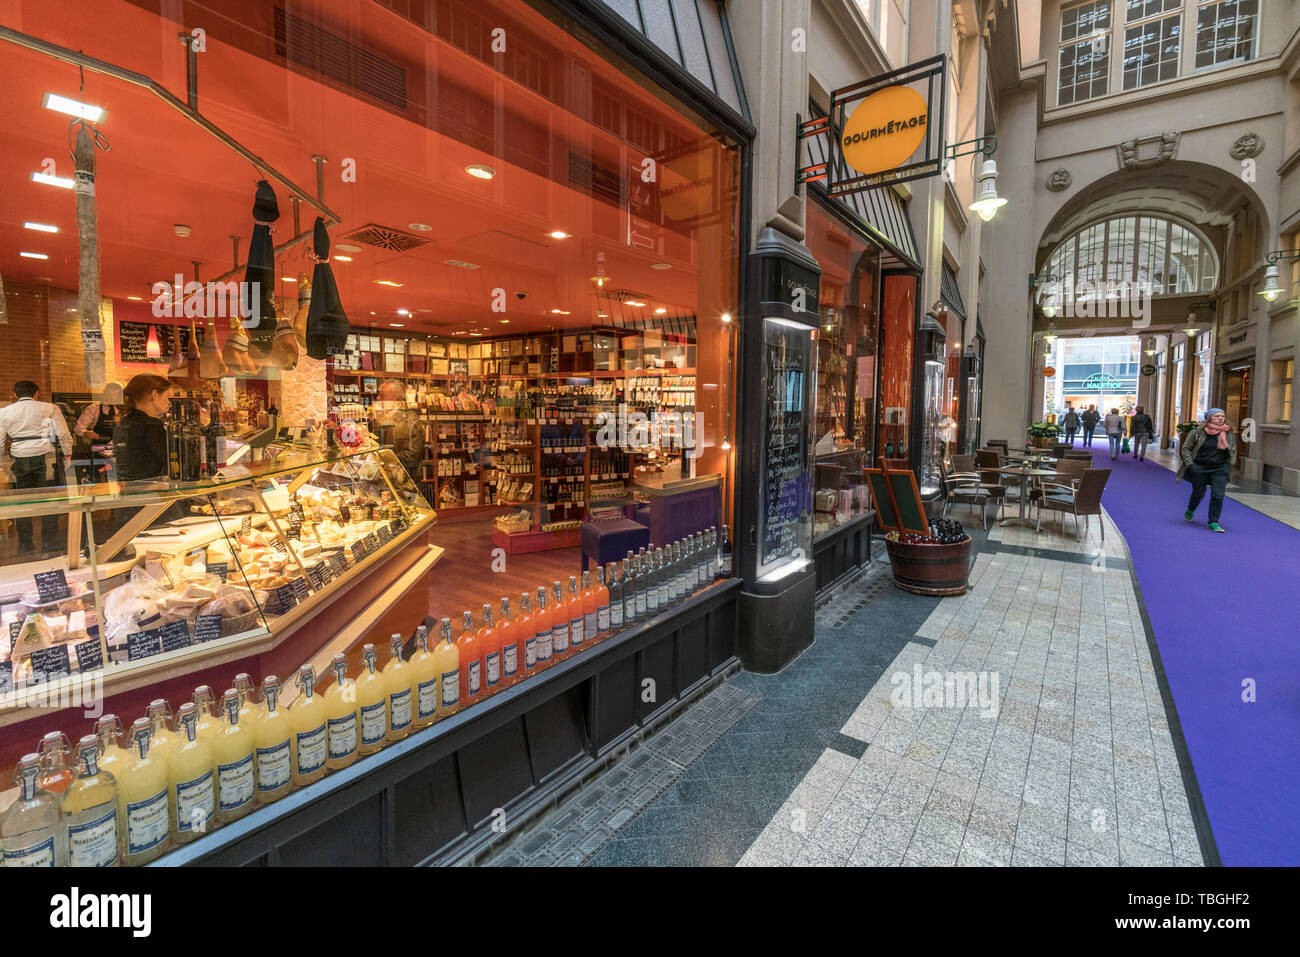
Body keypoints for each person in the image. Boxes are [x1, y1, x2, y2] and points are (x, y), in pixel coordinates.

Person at [0, 380, 74, 554]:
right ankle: (50, 541)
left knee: (22, 500)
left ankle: (25, 544)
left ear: (15, 395)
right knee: (49, 500)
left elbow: (0, 442)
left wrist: (2, 463)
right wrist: (67, 453)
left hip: (19, 457)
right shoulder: (50, 408)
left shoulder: (3, 412)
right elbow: (63, 433)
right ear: (37, 394)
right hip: (46, 456)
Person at [1177, 408, 1236, 533]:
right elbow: (1186, 448)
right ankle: (1191, 509)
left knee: (1218, 495)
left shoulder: (1228, 432)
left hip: (1220, 468)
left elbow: (1233, 449)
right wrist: (1190, 464)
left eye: (1222, 416)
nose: (1221, 418)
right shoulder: (1197, 432)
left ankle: (1213, 522)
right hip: (1200, 467)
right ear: (1209, 418)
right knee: (1199, 492)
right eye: (1217, 416)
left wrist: (1230, 464)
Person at [113, 374, 173, 481]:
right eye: (167, 396)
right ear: (154, 394)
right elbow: (171, 462)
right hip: (150, 490)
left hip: (128, 490)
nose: (169, 402)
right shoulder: (150, 425)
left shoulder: (122, 423)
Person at [370, 380, 425, 486]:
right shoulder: (380, 418)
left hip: (405, 485)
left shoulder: (412, 422)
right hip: (383, 482)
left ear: (397, 400)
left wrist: (384, 458)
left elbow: (411, 457)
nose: (377, 398)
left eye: (382, 396)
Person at [75, 382, 124, 482]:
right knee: (101, 480)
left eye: (116, 396)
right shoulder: (93, 409)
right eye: (111, 395)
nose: (113, 398)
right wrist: (86, 433)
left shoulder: (121, 410)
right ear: (104, 393)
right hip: (98, 451)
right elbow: (78, 428)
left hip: (118, 451)